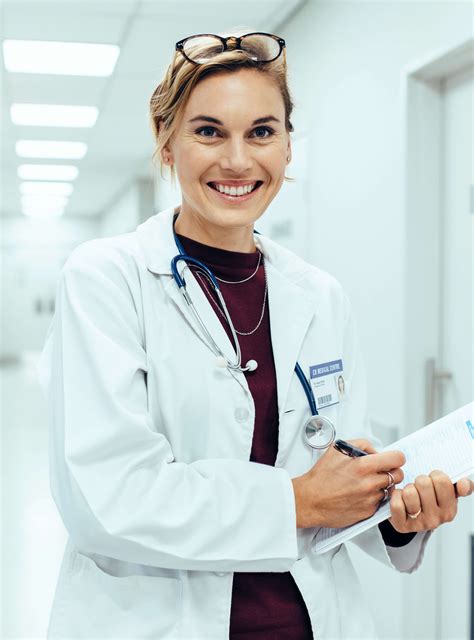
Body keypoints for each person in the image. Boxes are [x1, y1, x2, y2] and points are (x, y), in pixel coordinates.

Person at [38, 29, 472, 640]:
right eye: (208, 131)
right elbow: (104, 497)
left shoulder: (319, 295)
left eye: (262, 132)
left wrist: (396, 517)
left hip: (310, 620)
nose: (238, 160)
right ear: (167, 145)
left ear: (289, 148)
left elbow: (336, 477)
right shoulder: (107, 279)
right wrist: (296, 501)